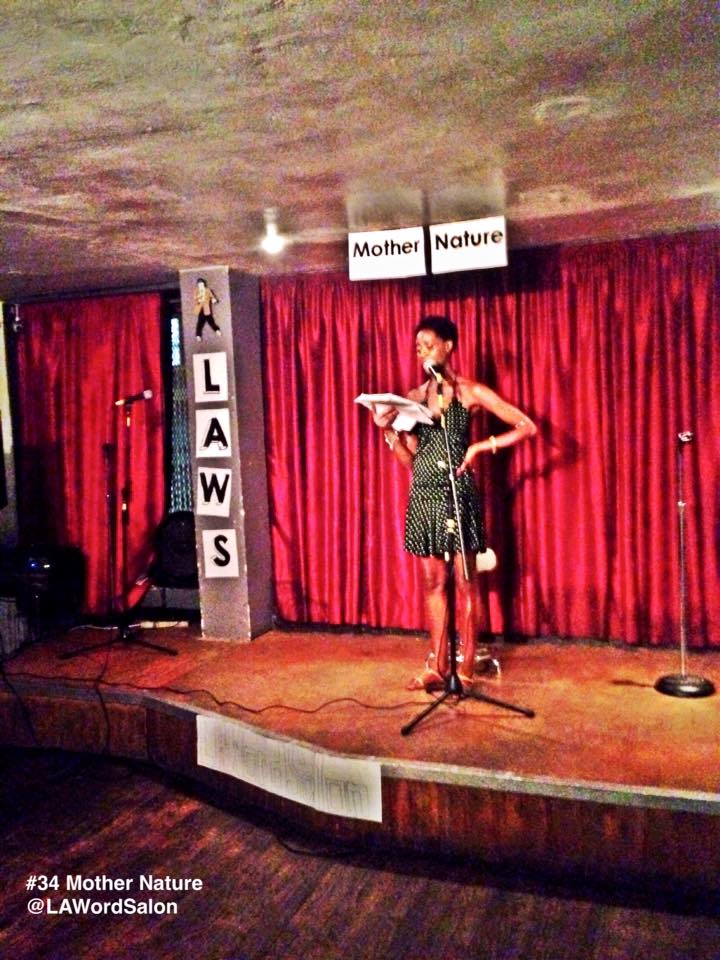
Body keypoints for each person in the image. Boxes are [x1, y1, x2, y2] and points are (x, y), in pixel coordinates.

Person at [373, 315, 536, 692]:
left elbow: (526, 426)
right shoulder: (413, 398)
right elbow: (411, 460)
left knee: (465, 583)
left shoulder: (470, 392)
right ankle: (436, 665)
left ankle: (465, 669)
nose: (422, 352)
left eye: (429, 345)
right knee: (433, 583)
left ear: (448, 346)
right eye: (418, 347)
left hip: (458, 492)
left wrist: (479, 447)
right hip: (423, 495)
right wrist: (390, 434)